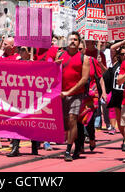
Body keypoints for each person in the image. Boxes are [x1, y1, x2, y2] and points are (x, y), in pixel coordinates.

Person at [55, 31, 90, 161]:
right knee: (65, 123)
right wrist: (55, 65)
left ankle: (68, 150)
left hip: (76, 94)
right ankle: (78, 143)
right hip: (60, 94)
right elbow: (53, 74)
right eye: (71, 39)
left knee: (72, 119)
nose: (73, 41)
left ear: (79, 42)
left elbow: (84, 79)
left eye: (75, 39)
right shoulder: (60, 55)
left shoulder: (84, 58)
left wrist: (69, 92)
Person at [7, 46, 40, 157]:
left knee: (32, 121)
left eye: (23, 49)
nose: (20, 51)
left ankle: (35, 147)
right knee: (17, 121)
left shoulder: (36, 63)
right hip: (18, 96)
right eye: (20, 49)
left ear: (29, 51)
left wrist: (33, 66)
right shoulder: (16, 62)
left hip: (31, 97)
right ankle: (15, 147)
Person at [105, 45, 125, 151]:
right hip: (116, 94)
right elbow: (112, 48)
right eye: (122, 54)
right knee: (119, 121)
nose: (124, 56)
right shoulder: (115, 63)